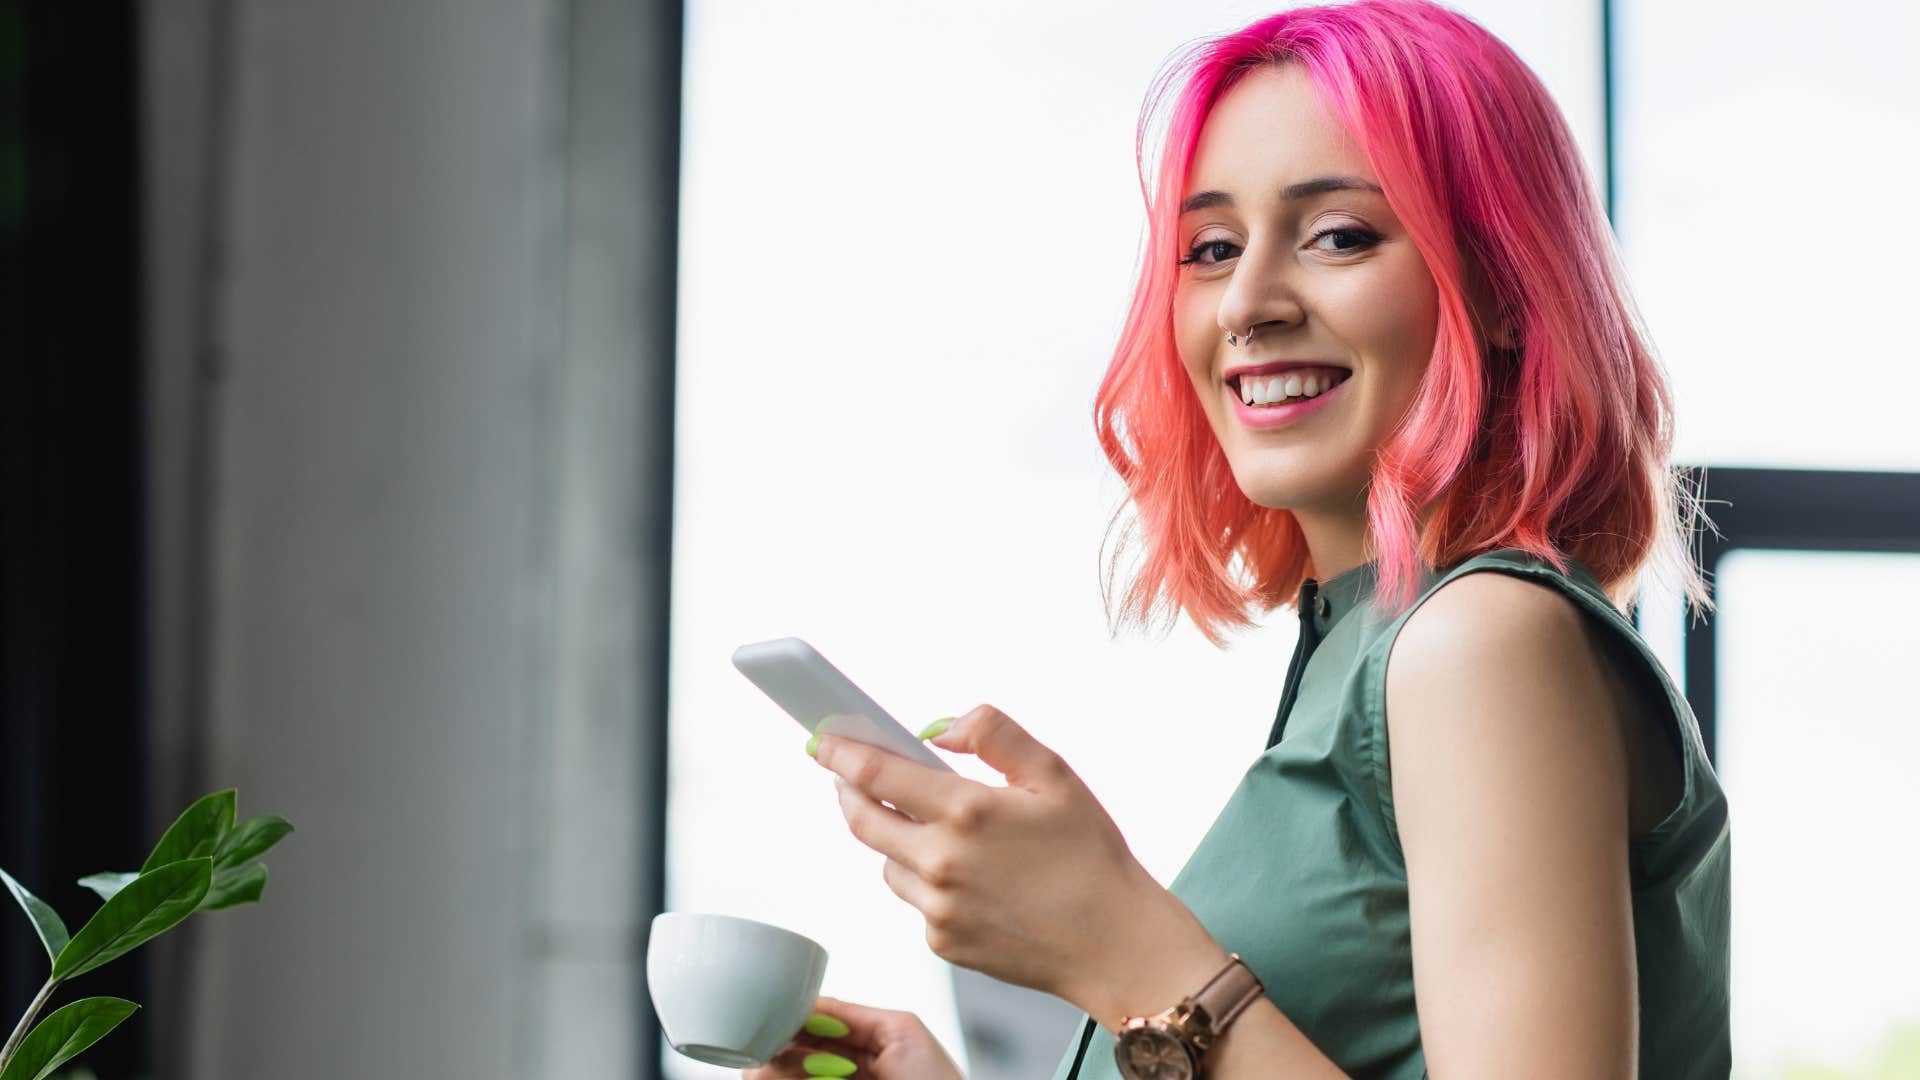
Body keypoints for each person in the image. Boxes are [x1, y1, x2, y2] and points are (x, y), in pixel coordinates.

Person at [744, 1, 1730, 1076]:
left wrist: (1121, 949)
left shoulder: (1477, 641)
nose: (1246, 304)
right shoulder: (1370, 646)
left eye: (1340, 235)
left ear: (1504, 288)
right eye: (1209, 249)